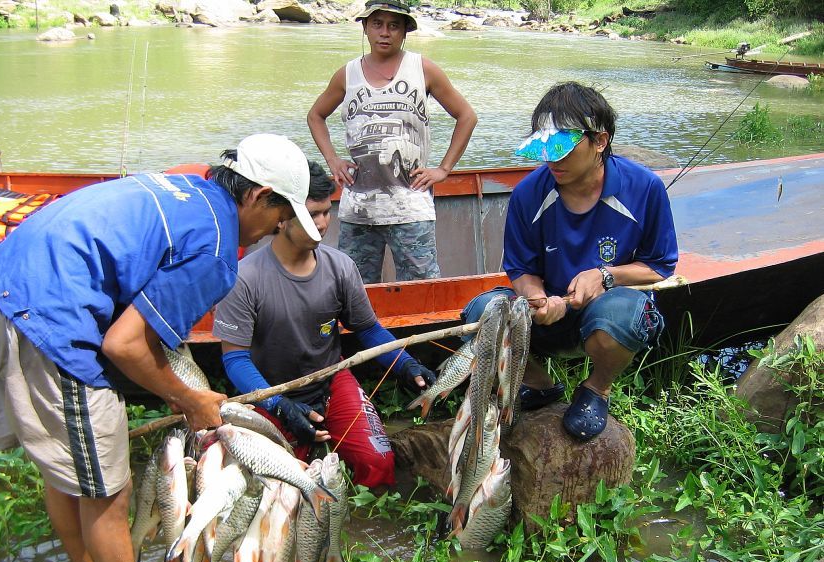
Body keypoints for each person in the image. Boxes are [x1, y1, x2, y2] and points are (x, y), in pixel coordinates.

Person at [0, 134, 320, 562]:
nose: (277, 231)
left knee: (69, 476)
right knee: (109, 489)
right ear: (257, 195)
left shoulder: (188, 186)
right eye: (280, 216)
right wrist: (190, 398)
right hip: (47, 321)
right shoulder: (219, 248)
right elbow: (124, 344)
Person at [462, 82, 678, 441]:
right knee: (483, 312)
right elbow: (522, 268)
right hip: (549, 314)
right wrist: (537, 299)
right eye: (544, 149)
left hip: (608, 313)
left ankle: (597, 388)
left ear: (600, 141)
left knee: (620, 316)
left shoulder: (644, 188)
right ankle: (537, 383)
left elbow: (659, 266)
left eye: (562, 149)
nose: (551, 160)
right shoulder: (529, 193)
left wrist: (605, 277)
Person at [213, 161, 436, 487]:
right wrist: (277, 404)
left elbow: (368, 330)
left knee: (378, 461)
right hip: (272, 392)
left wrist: (407, 365)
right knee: (272, 482)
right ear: (281, 218)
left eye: (325, 213)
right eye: (311, 215)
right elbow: (235, 359)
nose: (321, 224)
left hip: (332, 382)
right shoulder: (245, 278)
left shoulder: (341, 267)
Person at [307, 0, 477, 284]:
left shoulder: (422, 69)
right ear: (365, 28)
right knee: (354, 290)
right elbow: (315, 115)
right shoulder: (347, 75)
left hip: (410, 207)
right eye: (377, 24)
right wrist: (333, 160)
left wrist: (443, 169)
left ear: (405, 32)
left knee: (423, 289)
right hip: (359, 208)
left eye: (393, 26)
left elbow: (466, 116)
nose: (385, 32)